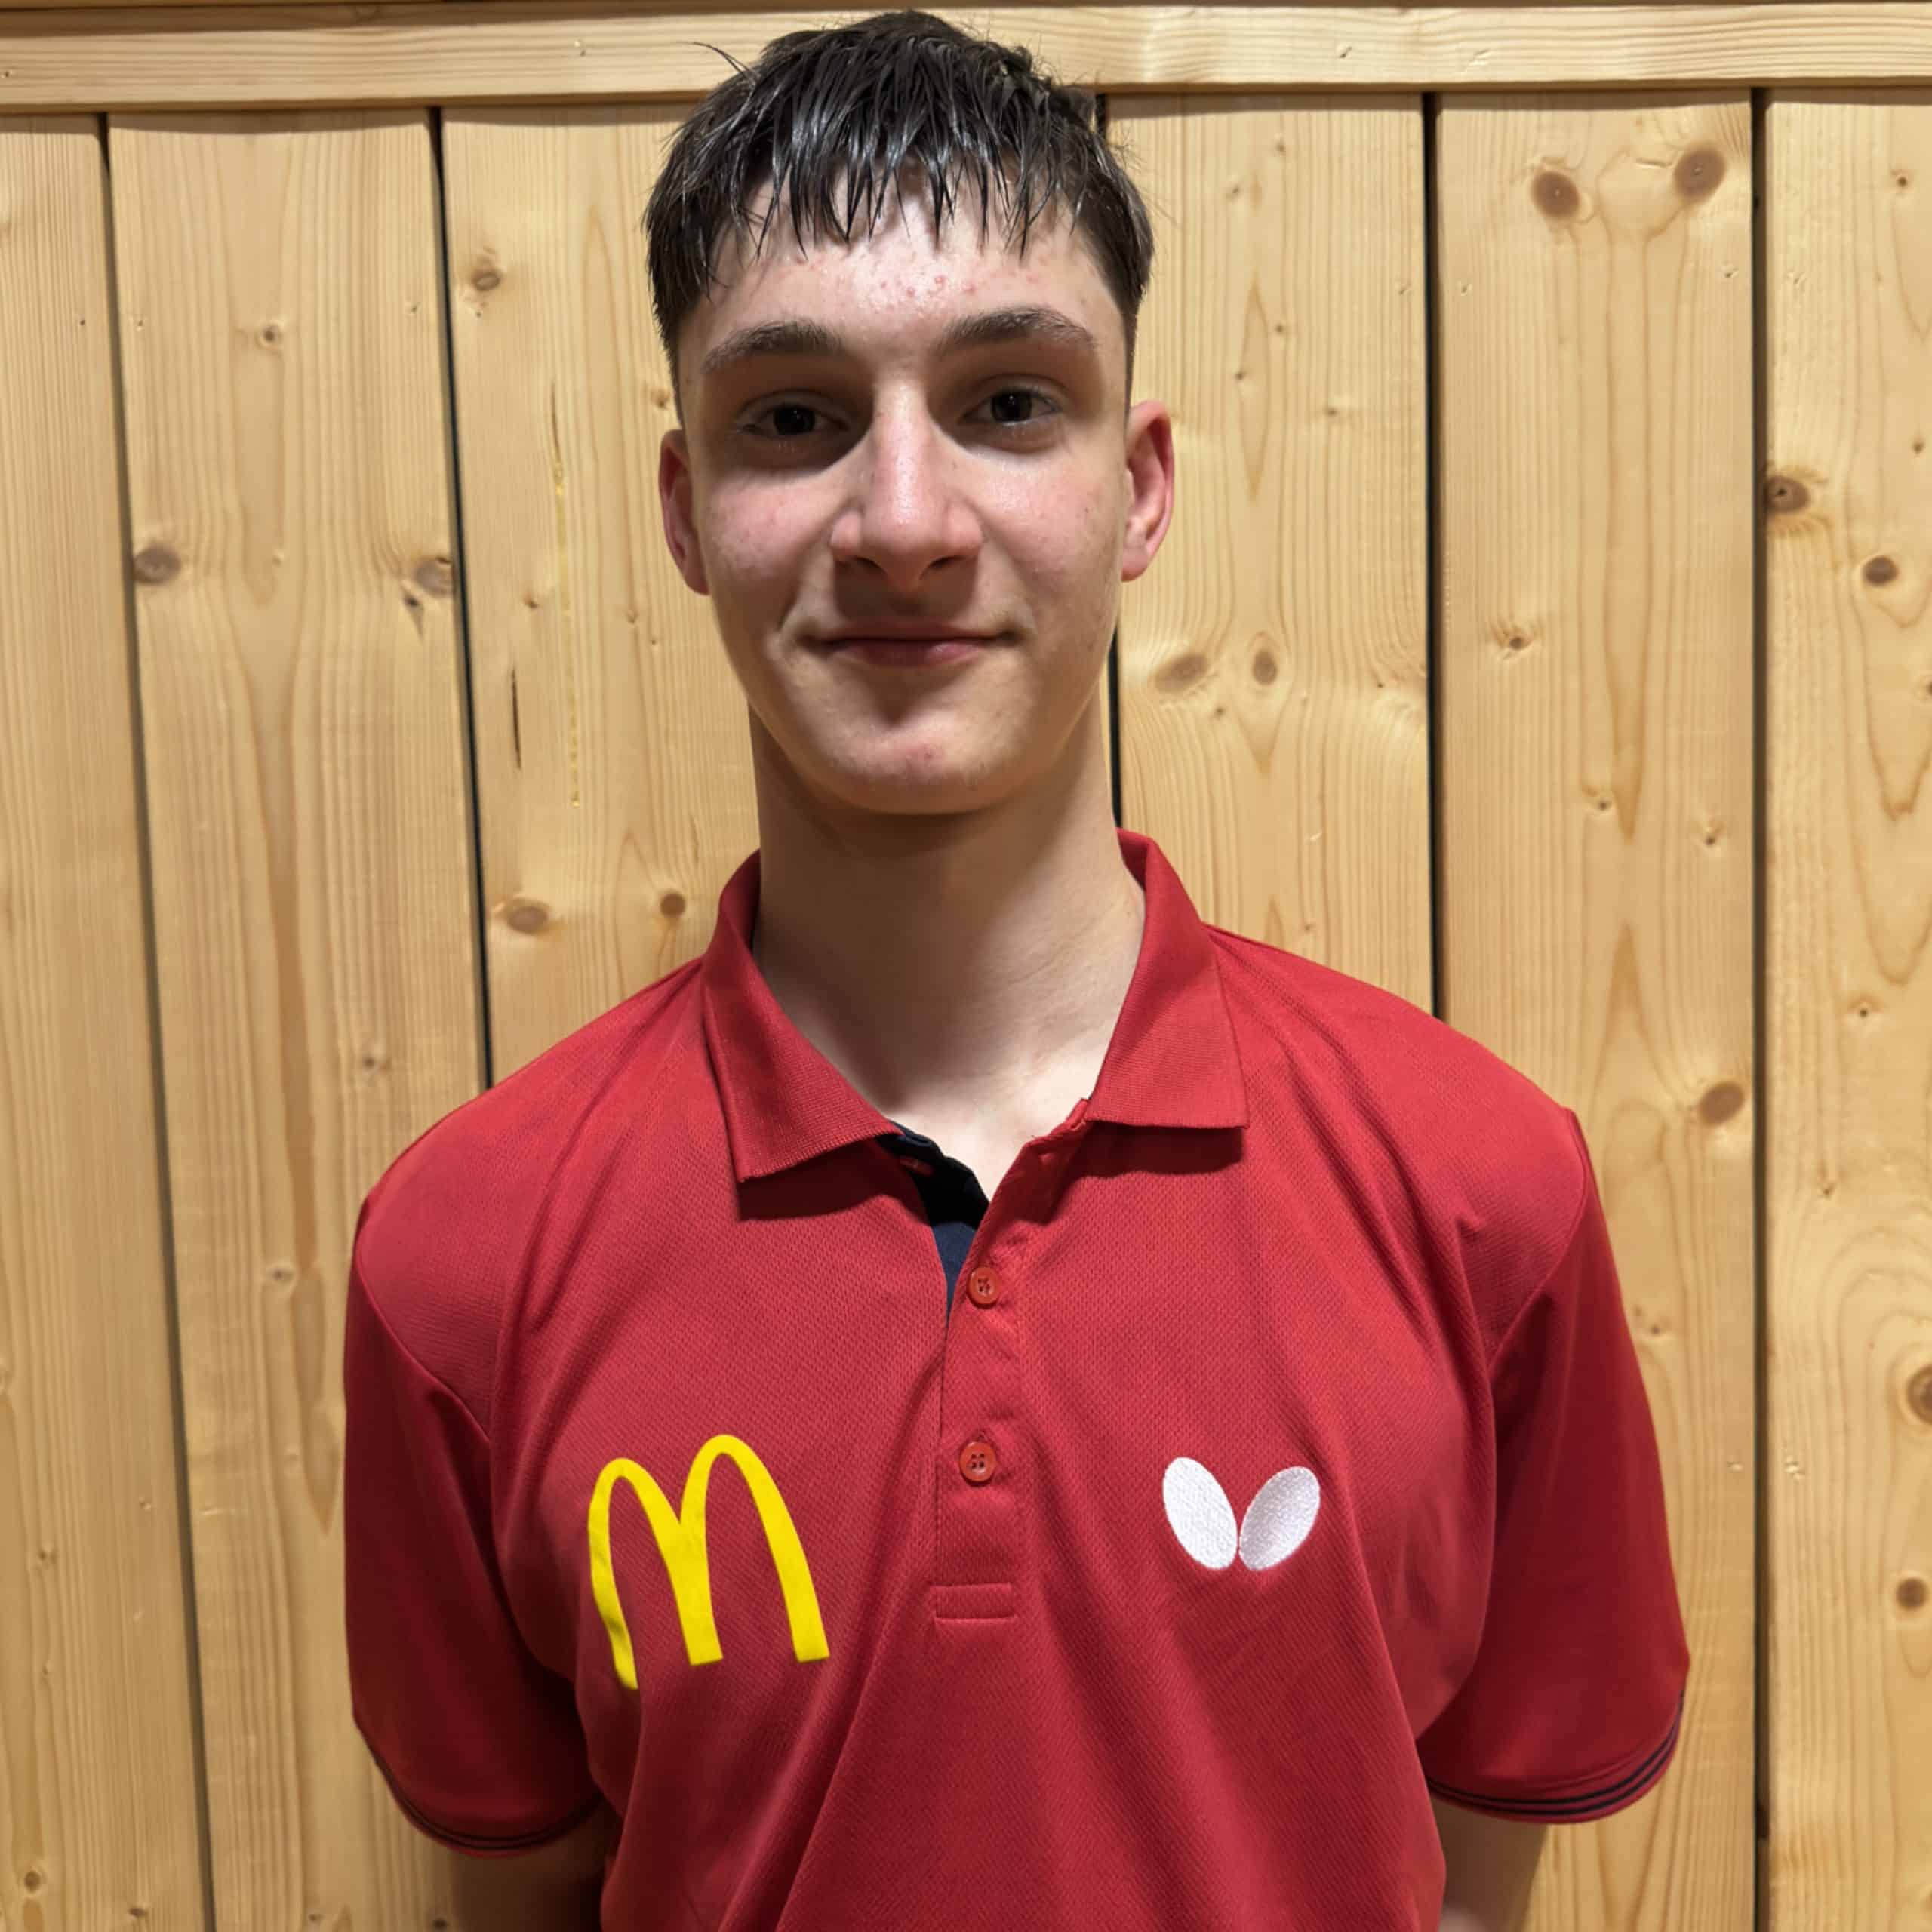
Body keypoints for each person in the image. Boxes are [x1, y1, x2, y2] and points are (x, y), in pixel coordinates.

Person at [341, 12, 1690, 1930]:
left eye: (1004, 402)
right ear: (684, 510)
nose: (903, 521)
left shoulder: (1477, 1189)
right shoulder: (463, 1259)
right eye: (791, 417)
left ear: (1136, 488)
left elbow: (1469, 1881)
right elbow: (527, 1891)